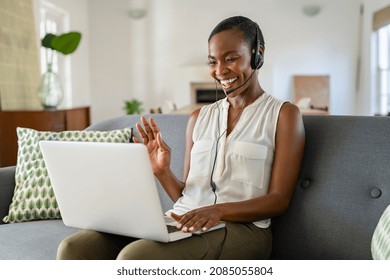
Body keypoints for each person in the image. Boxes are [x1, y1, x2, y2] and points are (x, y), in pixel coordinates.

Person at [57, 15, 305, 260]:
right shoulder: (198, 118)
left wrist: (218, 211)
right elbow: (187, 196)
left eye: (231, 59)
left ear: (257, 53)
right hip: (186, 219)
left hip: (246, 231)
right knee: (75, 248)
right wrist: (161, 171)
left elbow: (278, 201)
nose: (220, 71)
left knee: (137, 258)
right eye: (213, 62)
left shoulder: (283, 115)